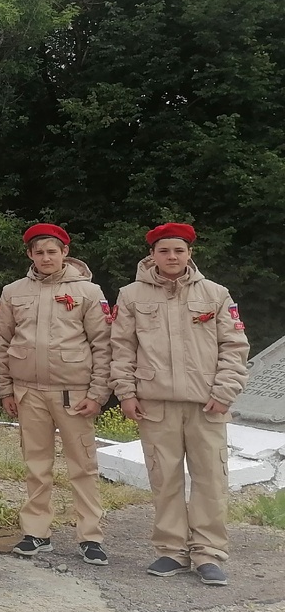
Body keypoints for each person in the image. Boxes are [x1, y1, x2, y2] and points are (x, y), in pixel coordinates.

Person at [110, 222, 249, 586]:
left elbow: (235, 347)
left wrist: (224, 392)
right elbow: (121, 348)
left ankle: (208, 553)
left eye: (179, 251)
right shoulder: (131, 296)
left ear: (190, 254)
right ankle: (171, 550)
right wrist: (125, 392)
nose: (172, 257)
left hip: (207, 404)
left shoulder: (216, 294)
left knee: (210, 480)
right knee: (164, 479)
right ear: (152, 255)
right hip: (155, 404)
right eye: (164, 251)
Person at [0, 224, 112, 565]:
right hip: (28, 391)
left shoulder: (88, 291)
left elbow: (103, 345)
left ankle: (90, 537)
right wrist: (5, 390)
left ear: (64, 253)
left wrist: (98, 393)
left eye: (52, 252)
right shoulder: (14, 291)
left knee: (83, 466)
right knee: (36, 465)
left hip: (73, 393)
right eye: (39, 252)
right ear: (30, 254)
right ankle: (36, 532)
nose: (46, 258)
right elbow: (0, 342)